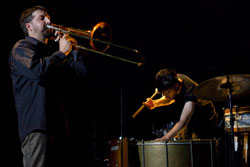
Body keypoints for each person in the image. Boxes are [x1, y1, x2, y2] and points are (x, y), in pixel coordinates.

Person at [9, 5, 87, 167]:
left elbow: (81, 75)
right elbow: (38, 71)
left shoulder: (52, 52)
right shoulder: (22, 48)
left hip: (59, 128)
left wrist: (74, 51)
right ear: (29, 26)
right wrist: (61, 53)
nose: (49, 21)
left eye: (48, 17)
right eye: (42, 18)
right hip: (37, 128)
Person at [143, 68, 218, 140]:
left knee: (199, 144)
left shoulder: (190, 93)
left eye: (168, 92)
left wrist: (165, 138)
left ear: (176, 85)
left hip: (205, 114)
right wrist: (155, 103)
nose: (166, 95)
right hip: (193, 113)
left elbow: (183, 122)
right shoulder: (173, 78)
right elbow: (170, 98)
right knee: (187, 141)